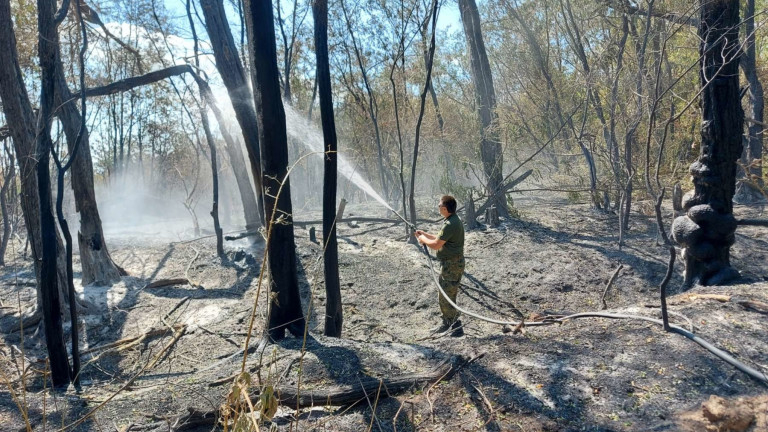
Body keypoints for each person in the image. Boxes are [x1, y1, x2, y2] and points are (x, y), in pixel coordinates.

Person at [415, 195, 465, 337]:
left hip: (452, 265)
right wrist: (424, 234)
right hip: (451, 264)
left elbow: (436, 245)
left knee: (446, 296)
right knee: (446, 294)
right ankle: (448, 323)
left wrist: (422, 239)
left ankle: (455, 328)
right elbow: (439, 239)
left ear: (444, 208)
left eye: (439, 205)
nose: (438, 207)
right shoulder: (452, 220)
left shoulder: (451, 224)